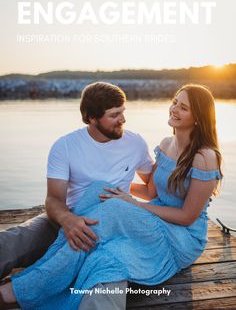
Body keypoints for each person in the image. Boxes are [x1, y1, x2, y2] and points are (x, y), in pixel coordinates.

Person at [0, 84, 223, 310]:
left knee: (113, 209)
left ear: (198, 117)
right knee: (101, 194)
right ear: (92, 118)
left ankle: (26, 288)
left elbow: (187, 217)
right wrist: (117, 191)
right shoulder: (166, 144)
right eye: (175, 102)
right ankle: (43, 277)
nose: (174, 109)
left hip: (181, 236)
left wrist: (132, 204)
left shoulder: (204, 157)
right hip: (146, 218)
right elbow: (150, 192)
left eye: (183, 108)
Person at [0, 82, 154, 310]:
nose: (123, 119)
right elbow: (53, 200)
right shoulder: (65, 146)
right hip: (67, 217)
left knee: (105, 277)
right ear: (91, 118)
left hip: (113, 229)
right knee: (16, 239)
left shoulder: (135, 143)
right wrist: (68, 221)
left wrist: (126, 195)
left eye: (123, 112)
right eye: (114, 115)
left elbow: (152, 187)